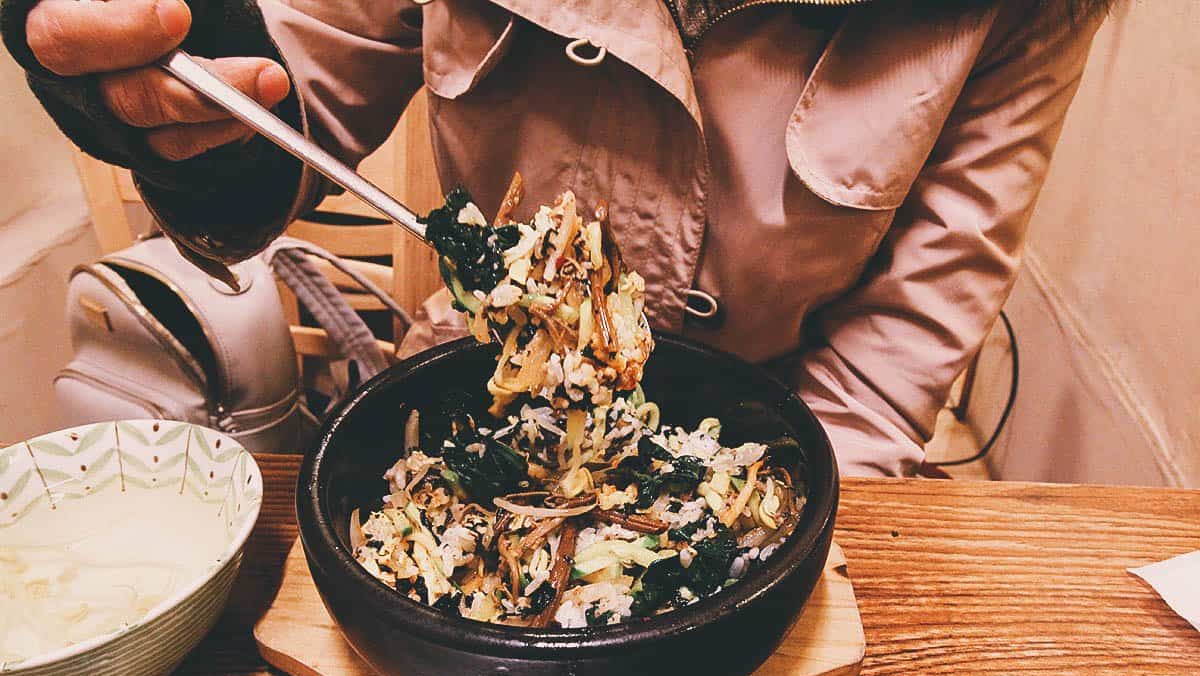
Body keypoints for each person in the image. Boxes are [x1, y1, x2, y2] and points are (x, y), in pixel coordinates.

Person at [1, 0, 1110, 477]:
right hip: (465, 383)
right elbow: (285, 111)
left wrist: (743, 548)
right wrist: (160, 93)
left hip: (786, 430)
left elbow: (887, 372)